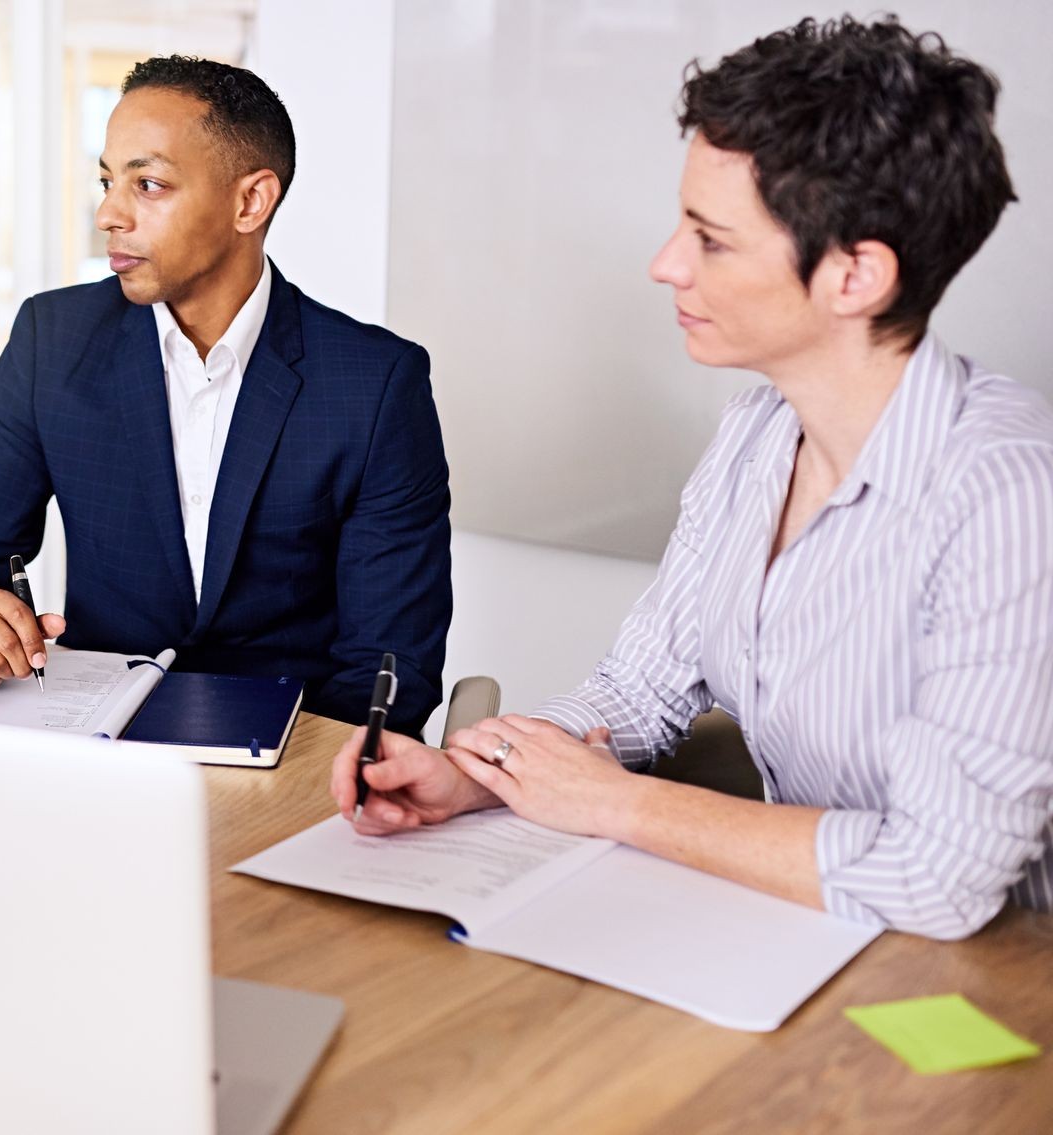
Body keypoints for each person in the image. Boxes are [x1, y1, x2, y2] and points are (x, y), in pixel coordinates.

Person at [332, 16, 1051, 939]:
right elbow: (639, 690)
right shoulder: (758, 432)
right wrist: (473, 773)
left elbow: (939, 875)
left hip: (988, 986)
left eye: (711, 240)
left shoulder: (1007, 494)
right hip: (807, 936)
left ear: (856, 277)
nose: (665, 263)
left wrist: (616, 805)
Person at [0, 56, 450, 733]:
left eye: (148, 184)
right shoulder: (55, 341)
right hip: (96, 754)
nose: (107, 213)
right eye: (107, 180)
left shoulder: (376, 384)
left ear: (251, 201)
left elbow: (389, 664)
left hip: (290, 758)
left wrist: (296, 776)